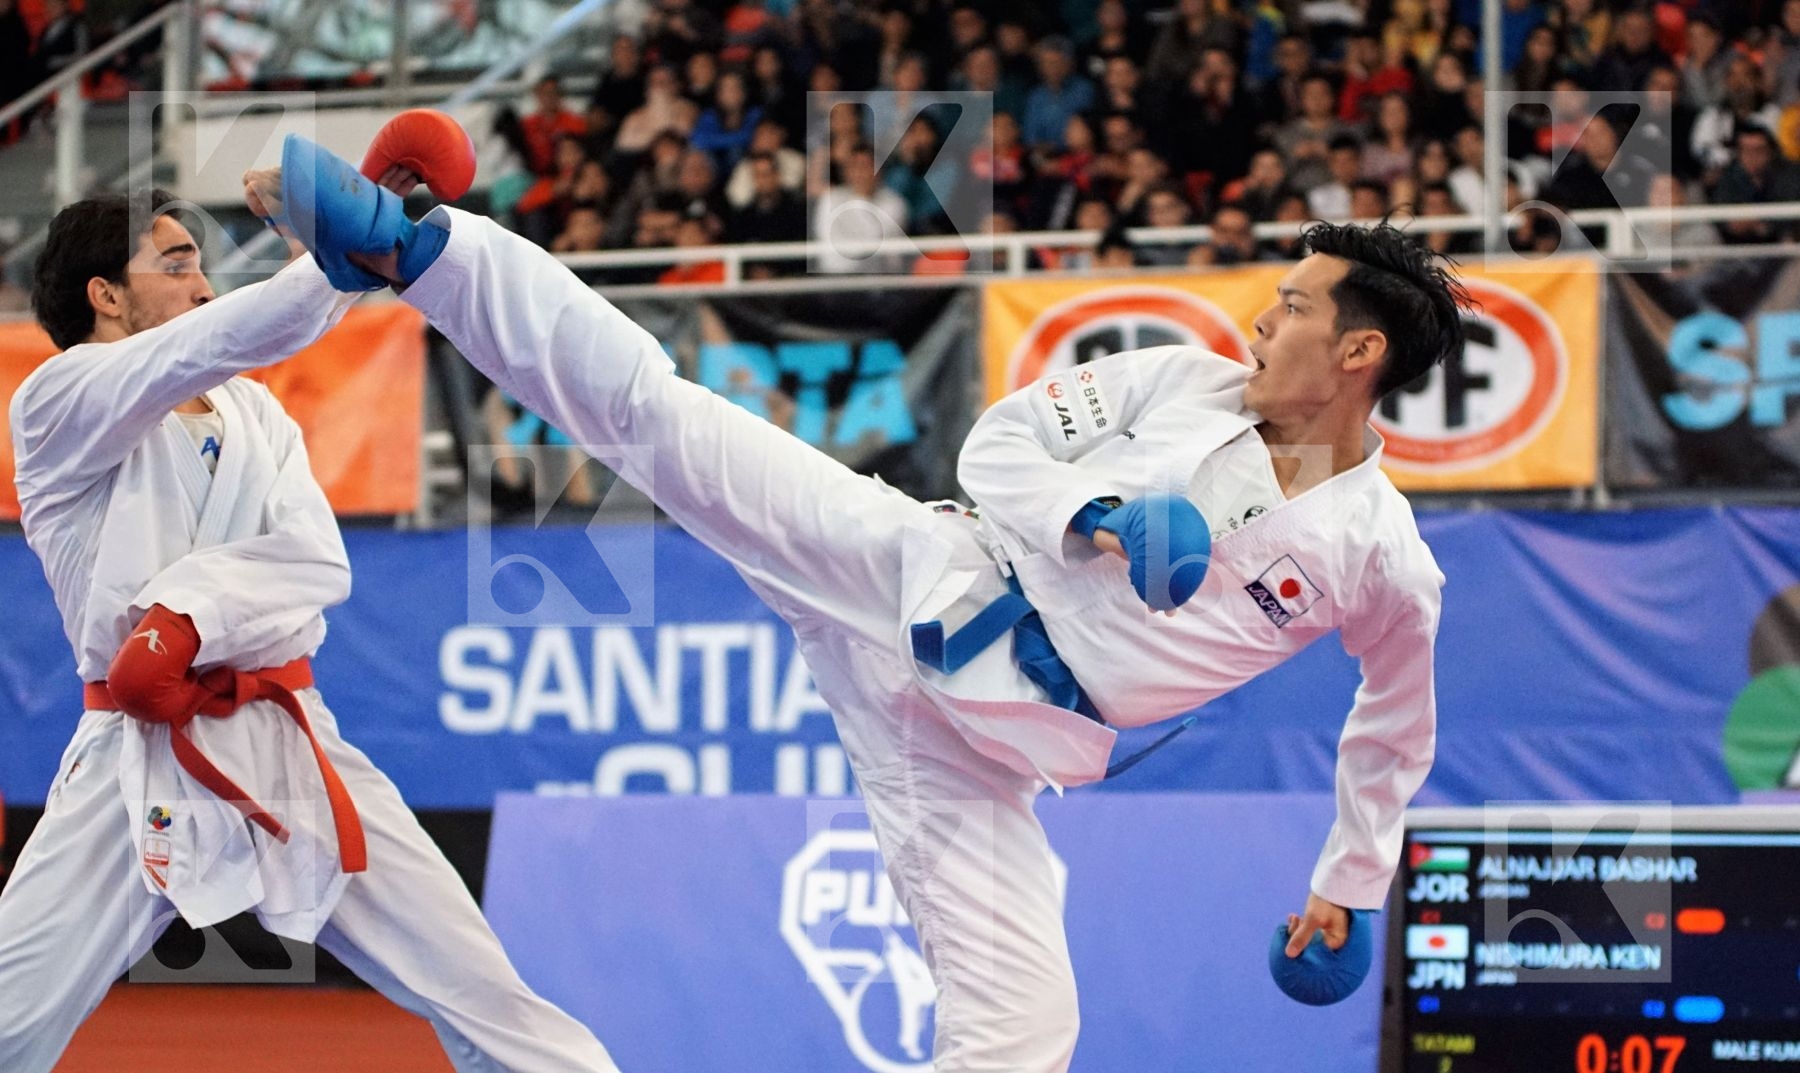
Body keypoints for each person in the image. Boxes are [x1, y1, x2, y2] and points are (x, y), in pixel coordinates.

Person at [275, 135, 1463, 1073]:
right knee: (664, 421)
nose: (1264, 318)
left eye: (1296, 306)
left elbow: (1393, 726)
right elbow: (1000, 445)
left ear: (1358, 353)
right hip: (918, 578)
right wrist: (1096, 515)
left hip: (987, 746)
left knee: (1023, 1034)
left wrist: (1349, 880)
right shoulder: (1180, 379)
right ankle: (423, 246)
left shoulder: (1382, 558)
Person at [0, 175, 619, 1072]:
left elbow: (316, 561)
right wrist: (333, 240)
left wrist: (184, 616)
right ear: (106, 295)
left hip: (289, 741)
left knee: (485, 994)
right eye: (176, 264)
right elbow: (223, 337)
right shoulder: (57, 400)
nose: (204, 284)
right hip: (135, 760)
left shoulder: (256, 414)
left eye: (203, 264)